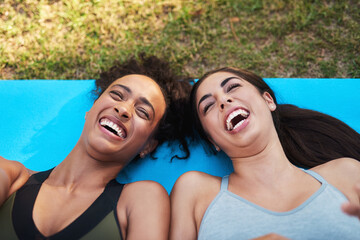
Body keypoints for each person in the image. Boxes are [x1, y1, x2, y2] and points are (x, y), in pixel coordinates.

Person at [0, 54, 191, 240]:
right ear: (91, 109)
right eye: (117, 95)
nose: (123, 109)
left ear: (148, 145)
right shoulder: (11, 176)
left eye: (142, 112)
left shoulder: (142, 199)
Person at [170, 67, 360, 239]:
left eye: (233, 87)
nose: (223, 100)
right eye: (208, 106)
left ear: (268, 100)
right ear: (212, 141)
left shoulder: (345, 173)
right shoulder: (195, 191)